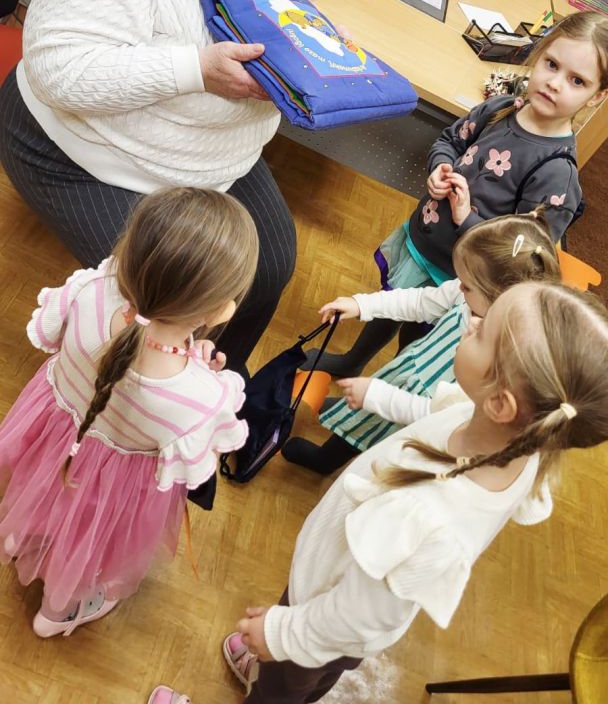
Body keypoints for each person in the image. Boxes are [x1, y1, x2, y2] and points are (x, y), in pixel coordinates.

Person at [150, 281, 608, 704]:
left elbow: (356, 617)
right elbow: (432, 413)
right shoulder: (519, 442)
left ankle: (272, 681)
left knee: (282, 691)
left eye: (483, 331)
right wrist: (379, 397)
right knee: (299, 677)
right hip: (336, 586)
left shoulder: (428, 521)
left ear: (501, 403)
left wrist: (283, 634)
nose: (471, 321)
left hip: (328, 616)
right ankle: (275, 674)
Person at [0, 0, 311, 372]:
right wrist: (196, 70)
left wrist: (317, 51)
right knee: (177, 297)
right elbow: (60, 68)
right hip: (85, 152)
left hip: (208, 154)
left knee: (271, 264)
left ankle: (212, 393)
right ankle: (139, 408)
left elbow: (283, 24)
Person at [0, 186, 258, 638]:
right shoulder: (203, 400)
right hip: (108, 486)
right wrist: (198, 369)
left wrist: (189, 354)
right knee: (88, 540)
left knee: (41, 490)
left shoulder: (90, 290)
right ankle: (57, 612)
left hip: (51, 440)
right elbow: (195, 465)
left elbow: (98, 344)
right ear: (220, 310)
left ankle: (20, 533)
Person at [303, 10, 608, 379]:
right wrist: (440, 166)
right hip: (425, 242)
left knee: (417, 346)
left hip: (461, 279)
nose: (555, 83)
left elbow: (522, 259)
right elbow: (449, 141)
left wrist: (467, 218)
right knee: (392, 304)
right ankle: (354, 360)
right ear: (538, 55)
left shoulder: (556, 174)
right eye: (552, 64)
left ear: (596, 96)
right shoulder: (500, 108)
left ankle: (392, 388)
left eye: (577, 80)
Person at [283, 210, 561, 474]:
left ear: (499, 297)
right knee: (365, 423)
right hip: (400, 385)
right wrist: (361, 305)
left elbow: (439, 417)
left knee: (380, 454)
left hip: (416, 425)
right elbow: (418, 301)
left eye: (467, 285)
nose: (458, 286)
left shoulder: (502, 364)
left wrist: (376, 398)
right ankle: (337, 440)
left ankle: (332, 461)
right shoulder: (466, 295)